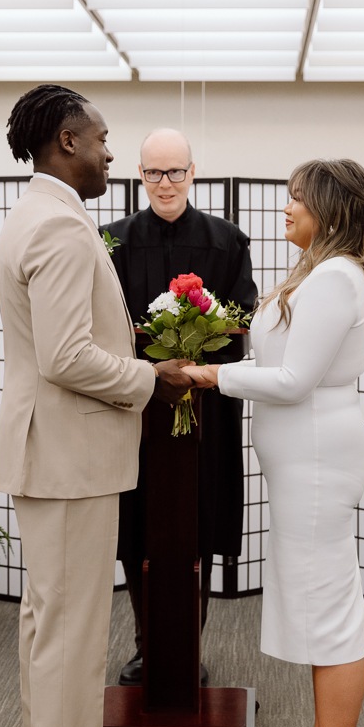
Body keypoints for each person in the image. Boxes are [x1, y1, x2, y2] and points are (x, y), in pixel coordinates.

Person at [0, 86, 192, 727]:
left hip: (50, 451)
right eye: (104, 139)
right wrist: (152, 376)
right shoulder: (63, 230)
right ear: (67, 141)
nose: (113, 153)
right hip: (69, 457)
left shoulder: (34, 214)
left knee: (47, 622)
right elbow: (67, 356)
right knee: (71, 633)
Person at [184, 159, 364, 727]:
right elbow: (278, 365)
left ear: (328, 211)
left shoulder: (334, 278)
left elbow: (295, 380)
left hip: (316, 461)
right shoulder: (317, 273)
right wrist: (210, 364)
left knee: (330, 618)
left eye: (296, 200)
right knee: (319, 612)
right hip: (302, 461)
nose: (285, 209)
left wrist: (209, 377)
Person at [101, 128, 257, 686]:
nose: (165, 184)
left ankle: (187, 644)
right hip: (135, 408)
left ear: (193, 172)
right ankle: (147, 644)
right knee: (136, 523)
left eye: (176, 172)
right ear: (139, 176)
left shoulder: (226, 241)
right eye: (153, 173)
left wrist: (192, 364)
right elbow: (101, 329)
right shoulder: (111, 242)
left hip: (204, 413)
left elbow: (241, 325)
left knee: (199, 518)